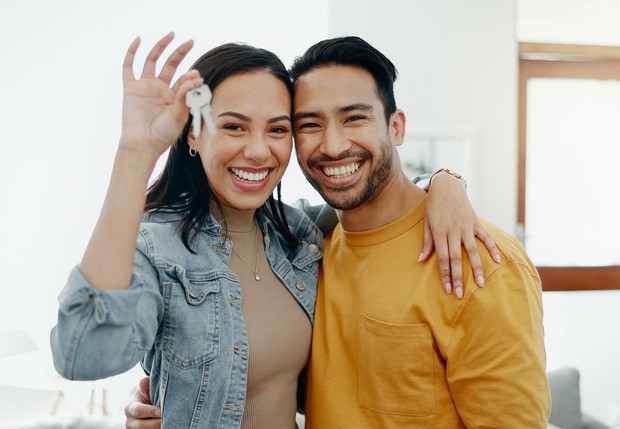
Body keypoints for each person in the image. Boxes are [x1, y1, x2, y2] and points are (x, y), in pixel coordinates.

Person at [50, 33, 495, 428]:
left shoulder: (299, 235)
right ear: (192, 134)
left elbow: (375, 202)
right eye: (233, 126)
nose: (258, 151)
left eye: (278, 129)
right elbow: (84, 355)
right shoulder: (157, 247)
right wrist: (136, 151)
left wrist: (444, 184)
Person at [289, 36, 550, 427]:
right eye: (310, 124)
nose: (333, 145)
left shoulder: (482, 260)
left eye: (354, 118)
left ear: (396, 127)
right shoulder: (305, 248)